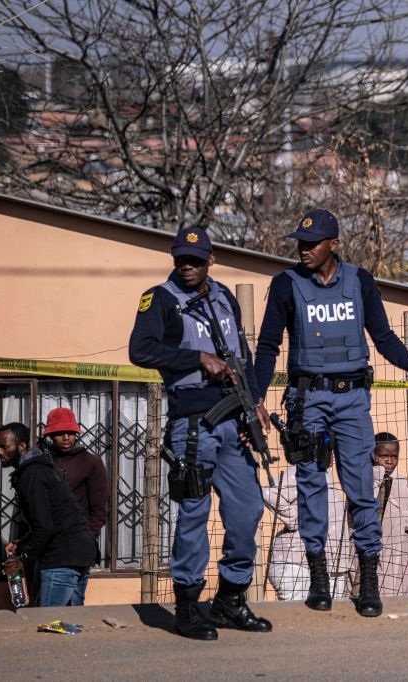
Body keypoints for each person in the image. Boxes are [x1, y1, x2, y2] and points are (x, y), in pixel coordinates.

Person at [254, 208, 408, 618]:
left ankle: (369, 582)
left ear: (333, 245)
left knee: (362, 487)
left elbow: (384, 336)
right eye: (300, 244)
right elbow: (267, 346)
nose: (304, 250)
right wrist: (255, 397)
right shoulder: (286, 285)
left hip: (352, 399)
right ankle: (319, 577)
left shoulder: (360, 282)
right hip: (307, 400)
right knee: (310, 487)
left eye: (312, 244)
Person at [129, 227, 271, 640]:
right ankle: (188, 607)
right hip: (192, 423)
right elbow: (141, 350)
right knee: (194, 512)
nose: (187, 267)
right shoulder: (159, 299)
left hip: (234, 419)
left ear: (211, 259)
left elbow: (241, 355)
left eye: (195, 259)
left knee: (247, 512)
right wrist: (196, 358)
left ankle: (230, 599)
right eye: (180, 259)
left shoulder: (225, 297)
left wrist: (255, 403)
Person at [0, 423, 97, 607]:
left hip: (62, 557)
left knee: (48, 624)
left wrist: (22, 560)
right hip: (81, 552)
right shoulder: (40, 468)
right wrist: (22, 543)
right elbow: (51, 519)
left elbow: (46, 527)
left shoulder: (31, 474)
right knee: (70, 625)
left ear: (22, 446)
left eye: (4, 446)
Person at [263, 467, 353, 602]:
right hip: (297, 562)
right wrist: (295, 518)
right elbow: (270, 493)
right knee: (298, 613)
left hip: (329, 565)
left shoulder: (326, 475)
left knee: (327, 617)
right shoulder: (301, 471)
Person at [41, 407, 109, 551]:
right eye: (60, 433)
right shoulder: (42, 462)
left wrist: (87, 537)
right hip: (46, 545)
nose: (66, 437)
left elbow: (99, 508)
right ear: (51, 435)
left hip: (78, 544)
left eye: (71, 433)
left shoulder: (90, 462)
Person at [373, 432, 408, 597]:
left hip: (401, 548)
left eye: (394, 456)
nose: (389, 461)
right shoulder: (365, 481)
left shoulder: (406, 484)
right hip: (374, 545)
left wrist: (400, 520)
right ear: (373, 455)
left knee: (401, 590)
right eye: (383, 456)